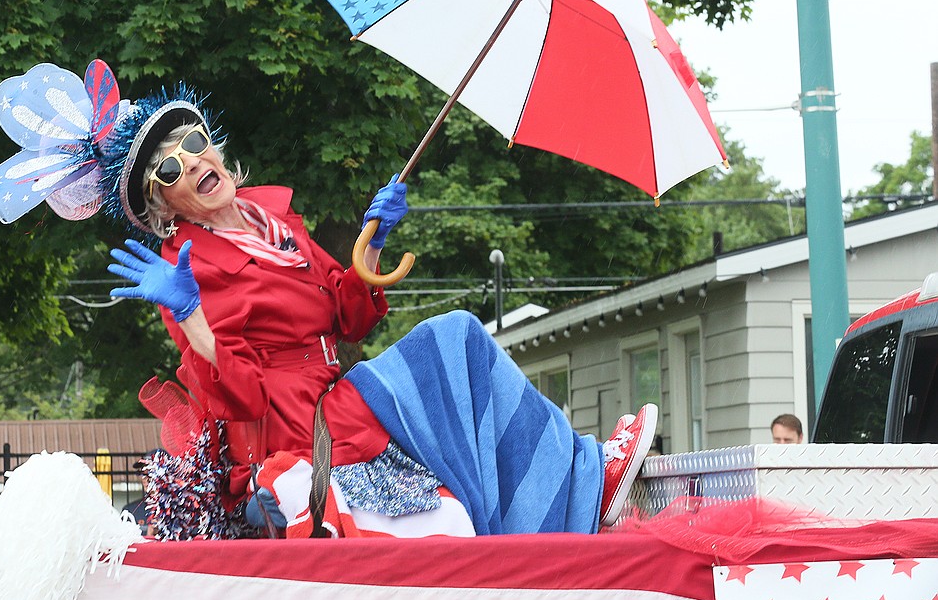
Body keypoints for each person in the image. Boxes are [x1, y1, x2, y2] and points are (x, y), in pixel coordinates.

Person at [101, 79, 657, 539]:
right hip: (301, 424)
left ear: (214, 145)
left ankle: (560, 499)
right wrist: (191, 314)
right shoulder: (185, 272)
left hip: (336, 394)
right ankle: (590, 477)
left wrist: (374, 239)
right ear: (163, 205)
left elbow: (349, 317)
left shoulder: (271, 221)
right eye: (169, 171)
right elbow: (244, 398)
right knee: (455, 338)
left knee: (457, 378)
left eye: (194, 142)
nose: (192, 162)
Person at [120, 451, 159, 536]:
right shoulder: (131, 511)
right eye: (142, 473)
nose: (145, 479)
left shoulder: (183, 511)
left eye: (150, 472)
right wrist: (149, 538)